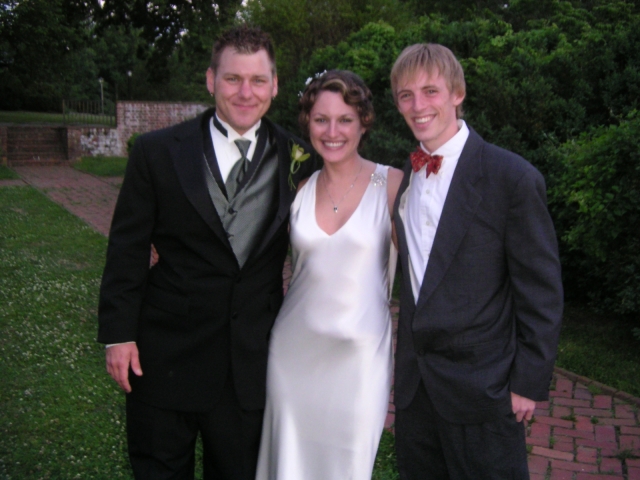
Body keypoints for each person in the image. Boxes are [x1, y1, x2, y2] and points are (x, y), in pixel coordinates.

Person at [97, 25, 318, 480]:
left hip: (249, 367)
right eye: (233, 78)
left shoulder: (301, 158)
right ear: (210, 80)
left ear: (275, 86)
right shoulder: (157, 152)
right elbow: (127, 247)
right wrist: (118, 334)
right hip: (163, 357)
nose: (245, 92)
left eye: (258, 80)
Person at [390, 43, 563, 479]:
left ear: (457, 93)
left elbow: (540, 291)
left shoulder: (512, 178)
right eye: (406, 95)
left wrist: (528, 382)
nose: (418, 105)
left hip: (484, 389)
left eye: (430, 91)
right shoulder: (408, 175)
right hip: (417, 390)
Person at [255, 70, 403, 480]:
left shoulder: (392, 185)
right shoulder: (296, 188)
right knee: (287, 464)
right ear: (308, 123)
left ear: (364, 123)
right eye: (321, 119)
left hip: (359, 363)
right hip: (292, 356)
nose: (332, 131)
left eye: (345, 120)